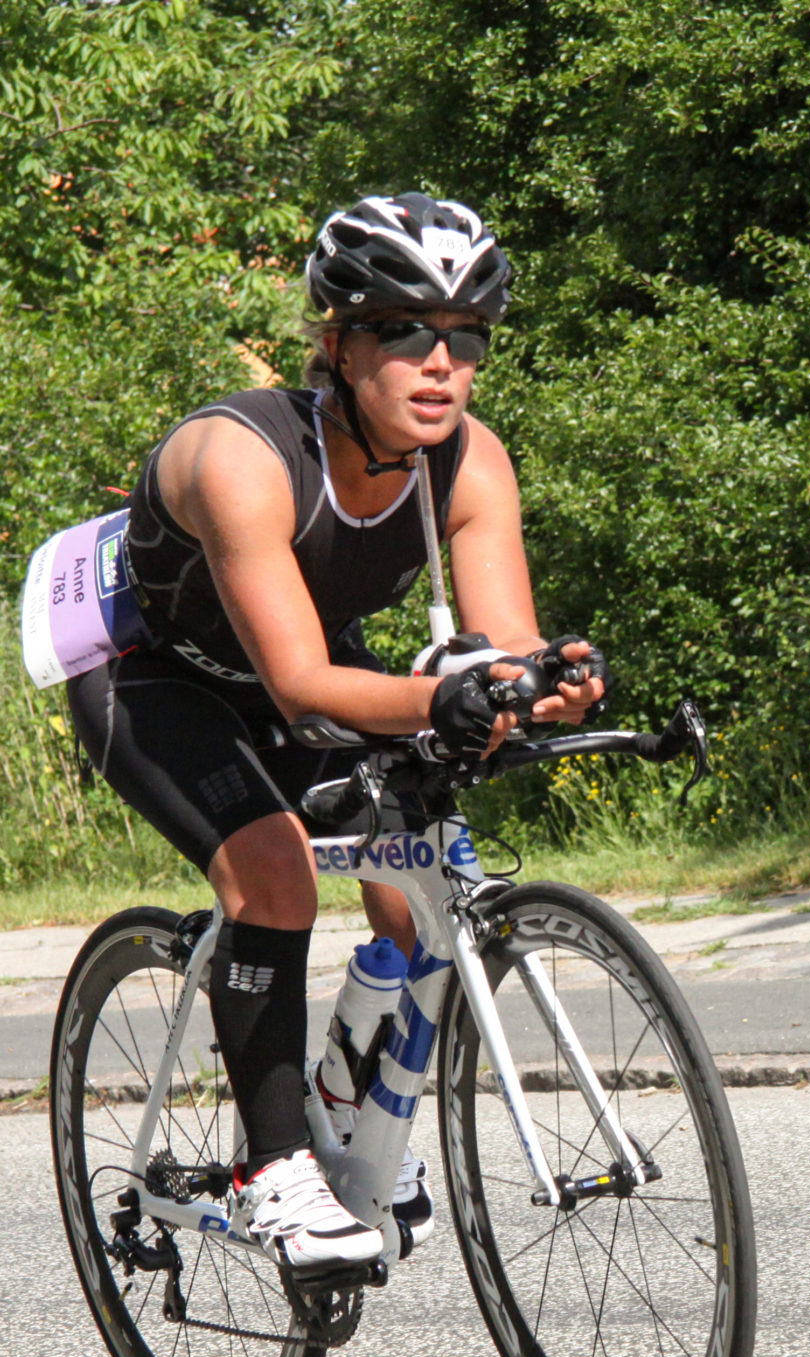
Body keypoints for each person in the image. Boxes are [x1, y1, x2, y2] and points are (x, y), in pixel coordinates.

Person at [65, 193, 604, 1270]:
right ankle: (274, 1170)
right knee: (275, 880)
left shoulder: (470, 460)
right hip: (151, 675)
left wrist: (542, 687)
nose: (439, 363)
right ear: (338, 344)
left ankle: (351, 1097)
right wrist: (440, 700)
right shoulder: (240, 457)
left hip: (303, 665)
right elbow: (303, 681)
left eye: (466, 336)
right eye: (406, 333)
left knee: (415, 872)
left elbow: (499, 651)